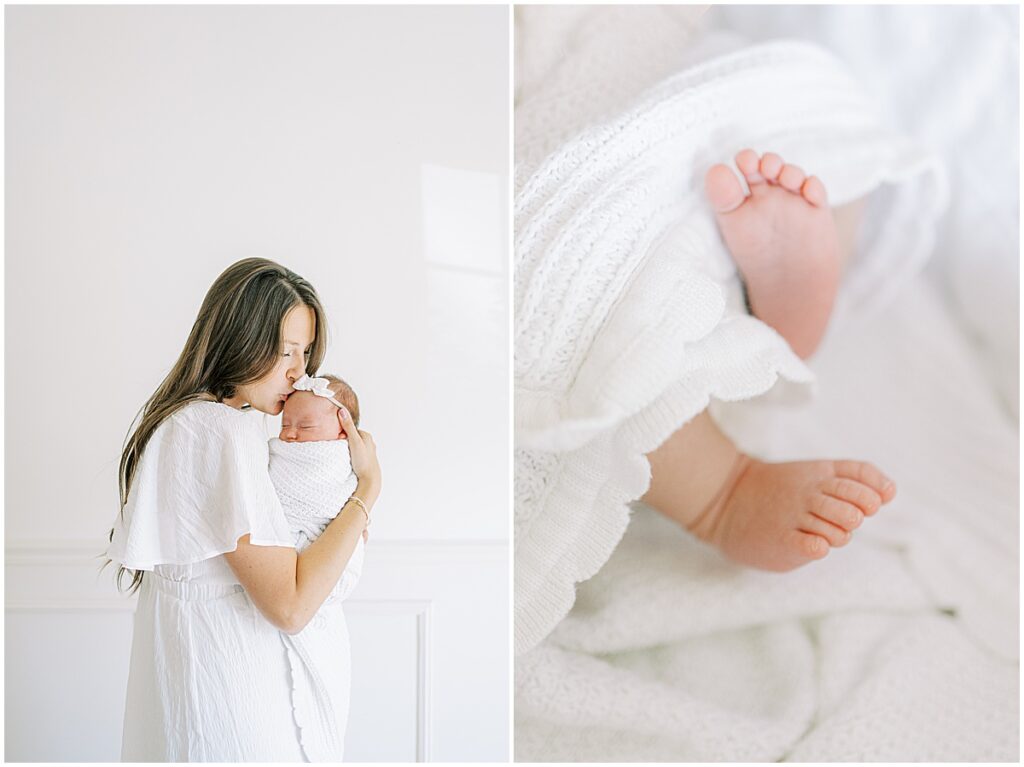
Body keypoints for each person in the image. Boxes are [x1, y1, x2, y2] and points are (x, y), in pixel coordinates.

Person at [103, 257, 381, 762]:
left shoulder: (200, 424)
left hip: (215, 699)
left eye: (305, 352)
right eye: (284, 351)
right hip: (239, 708)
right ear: (240, 338)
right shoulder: (216, 430)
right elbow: (290, 606)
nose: (300, 372)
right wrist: (368, 488)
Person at [642, 148, 896, 573]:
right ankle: (784, 313)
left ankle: (722, 492)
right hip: (734, 142)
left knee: (611, 354)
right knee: (832, 163)